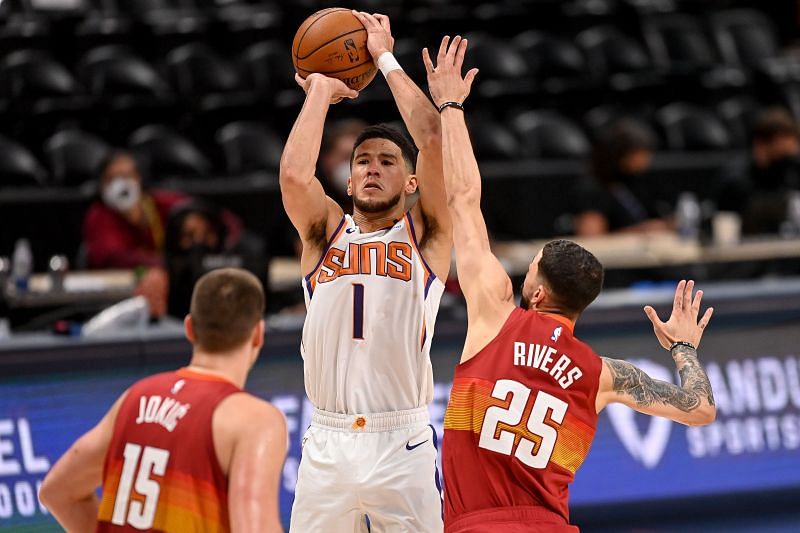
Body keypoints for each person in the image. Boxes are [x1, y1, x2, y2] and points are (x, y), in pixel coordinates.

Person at [424, 36, 716, 532]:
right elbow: (701, 410)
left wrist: (451, 106)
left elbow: (463, 200)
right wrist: (684, 346)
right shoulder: (603, 374)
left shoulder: (495, 316)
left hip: (478, 524)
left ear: (537, 293)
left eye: (531, 267)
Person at [280, 11, 451, 532]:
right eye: (362, 161)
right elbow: (293, 173)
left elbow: (437, 142)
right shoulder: (323, 232)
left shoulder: (427, 237)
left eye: (387, 160)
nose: (373, 167)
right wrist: (320, 91)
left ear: (413, 181)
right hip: (328, 440)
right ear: (349, 181)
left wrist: (382, 57)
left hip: (402, 440)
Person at [39, 268, 287, 533]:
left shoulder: (134, 398)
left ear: (189, 328)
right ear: (258, 334)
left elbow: (57, 492)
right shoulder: (254, 421)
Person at [164, 200, 267, 318]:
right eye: (189, 235)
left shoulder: (239, 261)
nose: (199, 241)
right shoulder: (163, 273)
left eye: (207, 233)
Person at [572, 119, 672, 236]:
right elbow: (591, 239)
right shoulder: (593, 188)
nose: (646, 160)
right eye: (639, 154)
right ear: (620, 154)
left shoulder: (636, 181)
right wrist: (643, 230)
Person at [718, 107, 800, 234]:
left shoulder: (790, 169)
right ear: (761, 145)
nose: (787, 158)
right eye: (780, 152)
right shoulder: (736, 177)